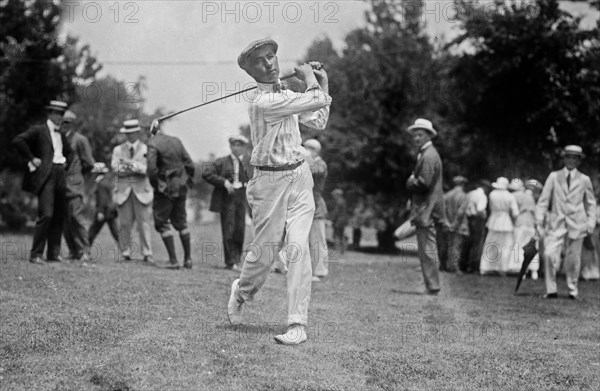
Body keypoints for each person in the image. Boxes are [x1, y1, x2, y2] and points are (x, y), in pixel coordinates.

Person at [227, 38, 332, 345]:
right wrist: (311, 80)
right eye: (261, 62)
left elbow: (318, 119)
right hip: (268, 183)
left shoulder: (285, 93)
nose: (270, 64)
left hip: (299, 176)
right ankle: (242, 291)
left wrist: (322, 83)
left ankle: (297, 324)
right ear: (251, 71)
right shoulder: (263, 102)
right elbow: (312, 101)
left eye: (272, 57)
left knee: (299, 248)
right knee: (265, 254)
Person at [12, 100, 72, 263]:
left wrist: (66, 163)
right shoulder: (39, 130)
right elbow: (18, 141)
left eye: (61, 114)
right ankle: (36, 254)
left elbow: (69, 152)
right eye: (56, 113)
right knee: (46, 214)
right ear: (50, 114)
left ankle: (53, 254)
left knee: (59, 215)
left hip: (60, 174)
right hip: (47, 176)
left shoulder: (61, 134)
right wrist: (31, 159)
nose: (59, 117)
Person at [535, 145, 597, 299]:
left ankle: (572, 290)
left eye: (574, 158)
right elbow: (543, 200)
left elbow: (590, 203)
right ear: (564, 159)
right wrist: (539, 219)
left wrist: (591, 222)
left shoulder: (584, 179)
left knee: (573, 259)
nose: (571, 160)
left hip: (578, 223)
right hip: (556, 223)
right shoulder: (554, 176)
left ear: (579, 161)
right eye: (568, 157)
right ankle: (551, 290)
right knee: (549, 254)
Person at [405, 118, 445, 294]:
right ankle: (431, 285)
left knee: (427, 248)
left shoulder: (429, 155)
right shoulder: (427, 154)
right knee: (427, 247)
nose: (416, 138)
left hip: (427, 208)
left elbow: (425, 182)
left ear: (429, 135)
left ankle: (433, 286)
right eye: (414, 135)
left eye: (420, 135)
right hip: (425, 207)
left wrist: (411, 182)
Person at [147, 127, 195, 269]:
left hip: (165, 189)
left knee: (161, 223)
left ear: (150, 131)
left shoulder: (152, 142)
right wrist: (187, 180)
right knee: (182, 223)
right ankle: (188, 260)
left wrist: (157, 185)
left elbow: (151, 169)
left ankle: (173, 261)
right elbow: (190, 164)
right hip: (180, 186)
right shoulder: (176, 141)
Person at [203, 135, 250, 271]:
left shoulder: (248, 162)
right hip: (228, 198)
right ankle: (230, 262)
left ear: (243, 147)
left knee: (240, 230)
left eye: (239, 145)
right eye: (234, 145)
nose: (236, 147)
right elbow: (207, 173)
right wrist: (224, 182)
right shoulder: (222, 162)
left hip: (242, 196)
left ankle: (237, 260)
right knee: (229, 228)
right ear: (230, 146)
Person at [111, 119, 154, 264]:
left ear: (138, 132)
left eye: (133, 133)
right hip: (123, 192)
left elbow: (147, 169)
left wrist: (129, 164)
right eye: (127, 133)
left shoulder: (147, 148)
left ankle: (147, 253)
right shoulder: (118, 149)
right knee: (124, 224)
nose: (130, 135)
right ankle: (125, 253)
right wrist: (135, 167)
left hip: (142, 192)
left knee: (144, 224)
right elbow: (116, 169)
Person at [61, 110, 95, 262]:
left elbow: (89, 162)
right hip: (60, 184)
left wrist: (79, 174)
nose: (65, 125)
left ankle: (84, 251)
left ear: (73, 124)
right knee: (65, 220)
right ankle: (73, 251)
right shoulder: (58, 138)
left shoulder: (80, 139)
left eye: (68, 122)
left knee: (77, 217)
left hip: (75, 184)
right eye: (63, 122)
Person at [480, 177, 518, 275]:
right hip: (505, 221)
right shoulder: (510, 196)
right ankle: (503, 268)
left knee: (490, 245)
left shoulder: (492, 194)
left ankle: (486, 267)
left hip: (493, 220)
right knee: (506, 246)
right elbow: (515, 212)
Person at [304, 139, 329, 281]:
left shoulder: (320, 163)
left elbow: (316, 171)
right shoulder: (308, 162)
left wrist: (305, 157)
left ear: (315, 151)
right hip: (306, 205)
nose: (306, 150)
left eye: (308, 148)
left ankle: (319, 271)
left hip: (317, 206)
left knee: (317, 241)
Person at [509, 178, 539, 278]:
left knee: (519, 246)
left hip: (520, 223)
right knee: (531, 247)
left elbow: (514, 212)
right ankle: (534, 271)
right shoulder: (531, 197)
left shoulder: (515, 196)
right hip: (530, 224)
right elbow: (535, 212)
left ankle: (521, 270)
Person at [88, 150, 119, 245]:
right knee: (116, 232)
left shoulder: (101, 183)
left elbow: (102, 199)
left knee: (92, 232)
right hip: (111, 211)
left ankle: (85, 252)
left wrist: (100, 212)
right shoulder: (107, 180)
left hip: (104, 211)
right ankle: (126, 251)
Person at [463, 179, 490, 273]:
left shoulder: (470, 193)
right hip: (477, 221)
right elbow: (480, 208)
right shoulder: (482, 196)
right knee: (476, 244)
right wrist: (483, 215)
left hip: (468, 219)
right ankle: (474, 266)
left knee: (467, 243)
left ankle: (464, 264)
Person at [443, 175, 469, 273]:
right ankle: (454, 267)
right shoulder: (463, 196)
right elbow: (461, 212)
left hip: (447, 224)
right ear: (462, 184)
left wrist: (447, 223)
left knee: (450, 245)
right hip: (459, 225)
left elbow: (443, 211)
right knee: (457, 246)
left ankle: (448, 265)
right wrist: (454, 224)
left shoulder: (447, 195)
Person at [330, 188, 348, 255]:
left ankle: (337, 250)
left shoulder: (338, 201)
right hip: (343, 220)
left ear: (337, 195)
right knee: (341, 235)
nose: (333, 196)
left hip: (339, 220)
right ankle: (342, 250)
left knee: (337, 235)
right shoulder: (343, 200)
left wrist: (332, 220)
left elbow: (336, 212)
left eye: (334, 195)